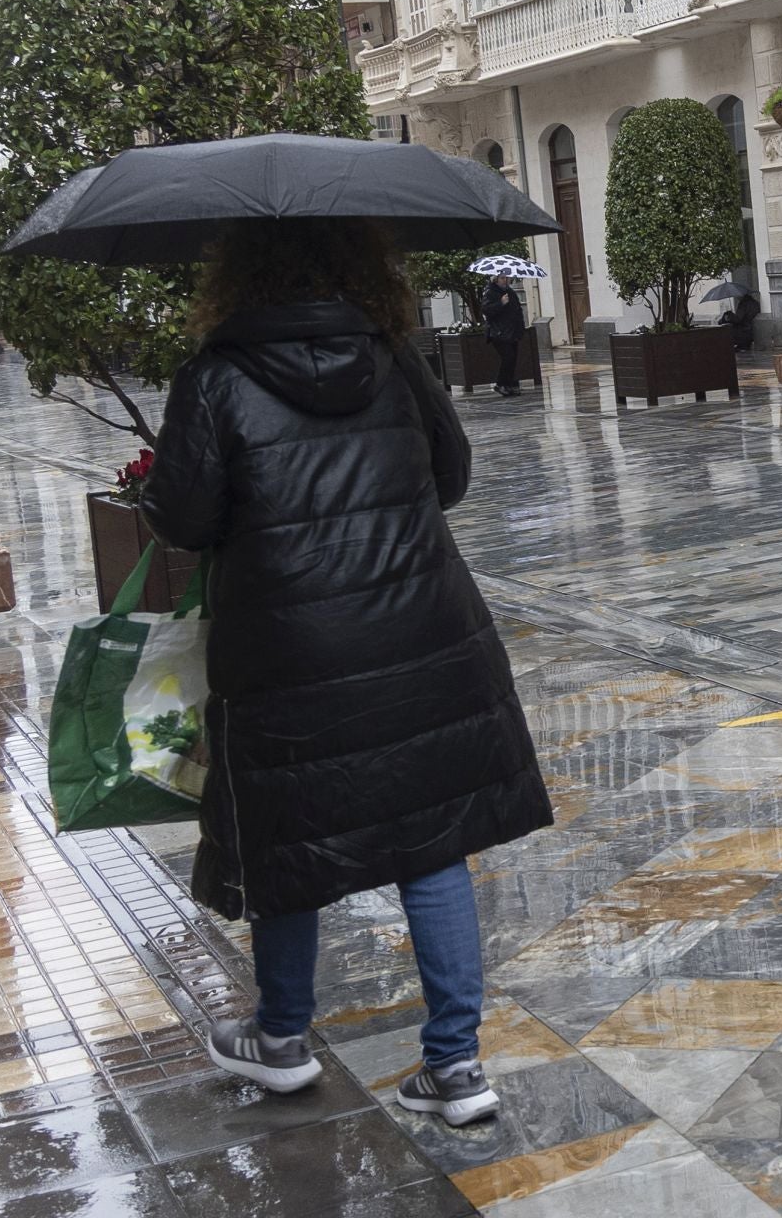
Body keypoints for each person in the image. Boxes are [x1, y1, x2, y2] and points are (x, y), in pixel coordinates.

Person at [141, 217, 553, 1126]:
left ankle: (281, 1036)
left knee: (290, 840)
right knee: (431, 843)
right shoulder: (395, 358)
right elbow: (451, 476)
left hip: (287, 648)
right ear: (360, 266)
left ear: (236, 276)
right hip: (419, 629)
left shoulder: (214, 376)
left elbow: (183, 518)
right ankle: (455, 1068)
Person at [481, 272, 525, 396]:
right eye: (502, 278)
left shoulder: (510, 292)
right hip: (498, 332)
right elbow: (486, 310)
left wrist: (520, 328)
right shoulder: (490, 292)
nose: (505, 280)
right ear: (496, 279)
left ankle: (509, 384)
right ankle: (501, 384)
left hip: (512, 332)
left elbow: (517, 310)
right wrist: (500, 303)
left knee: (513, 358)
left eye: (507, 278)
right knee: (508, 357)